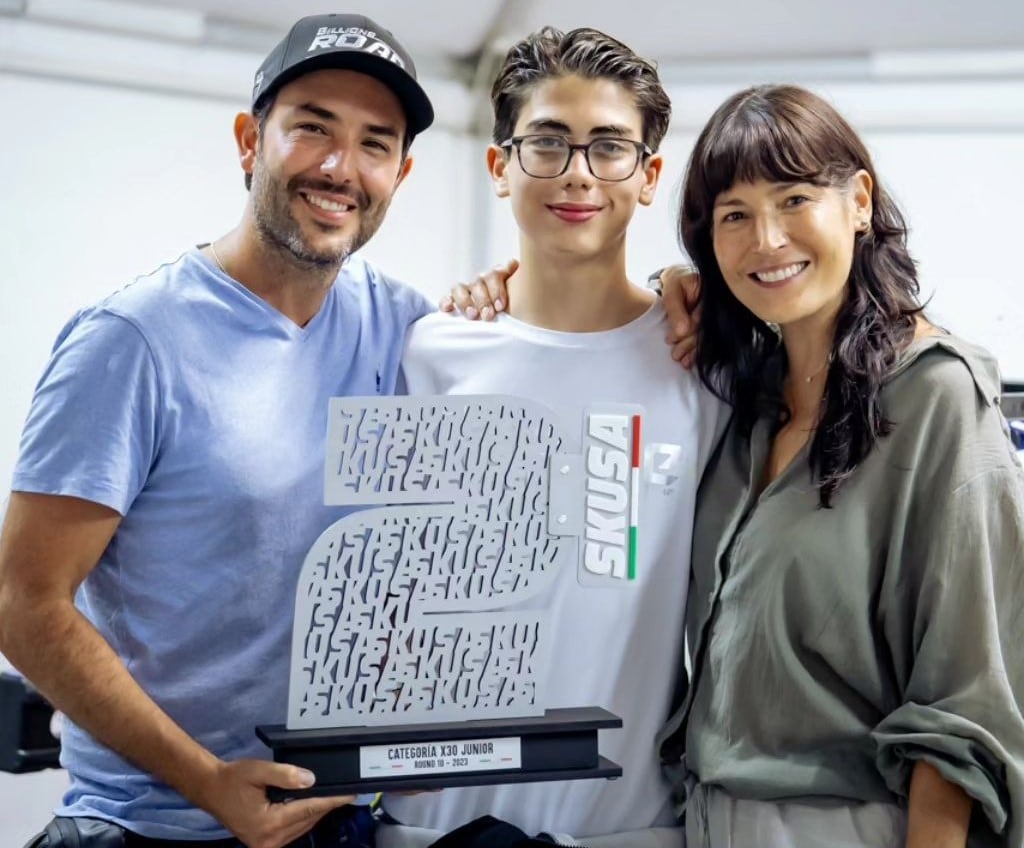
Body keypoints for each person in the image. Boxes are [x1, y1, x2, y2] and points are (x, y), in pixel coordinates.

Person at [0, 13, 436, 847]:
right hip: (146, 827)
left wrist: (680, 286)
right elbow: (23, 605)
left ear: (400, 172)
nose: (341, 168)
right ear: (249, 140)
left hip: (335, 816)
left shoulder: (404, 325)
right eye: (312, 128)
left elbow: (552, 326)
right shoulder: (131, 341)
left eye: (375, 144)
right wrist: (209, 784)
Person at [380, 27, 724, 848]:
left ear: (648, 178)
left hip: (626, 824)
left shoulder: (700, 367)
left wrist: (692, 282)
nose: (576, 171)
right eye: (547, 143)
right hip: (430, 824)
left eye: (609, 148)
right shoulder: (429, 353)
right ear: (499, 168)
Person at [654, 84, 1024, 847]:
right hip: (703, 819)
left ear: (859, 201)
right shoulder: (744, 403)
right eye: (734, 215)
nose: (766, 239)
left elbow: (965, 704)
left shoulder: (936, 397)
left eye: (793, 199)